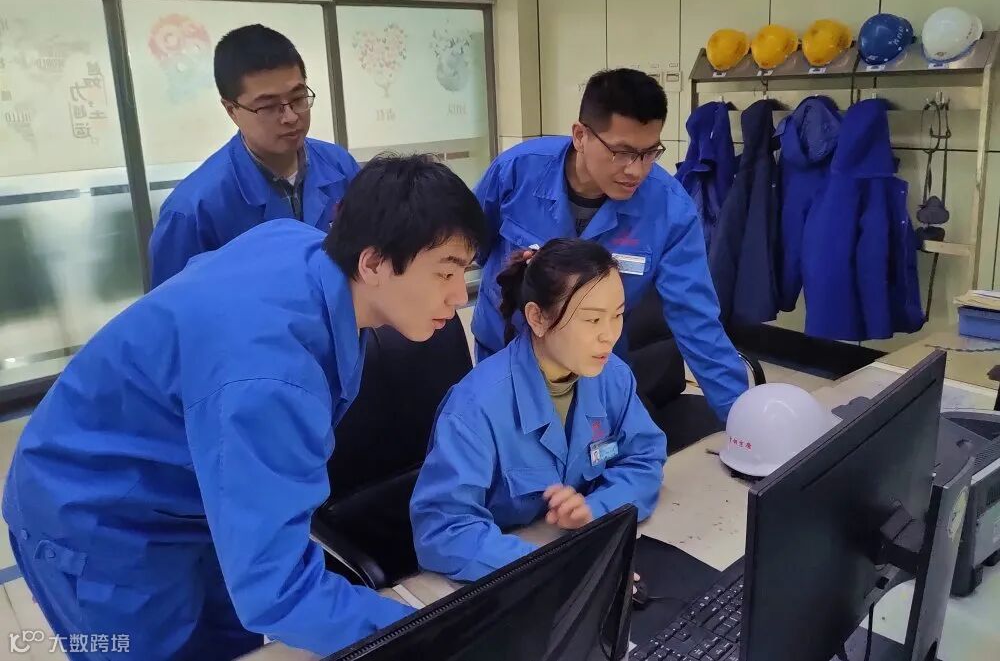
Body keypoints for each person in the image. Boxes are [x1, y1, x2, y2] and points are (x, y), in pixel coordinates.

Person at [3, 155, 487, 660]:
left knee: (231, 642)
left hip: (193, 493)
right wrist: (437, 636)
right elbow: (278, 591)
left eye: (464, 270)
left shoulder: (300, 245)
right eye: (445, 272)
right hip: (95, 513)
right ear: (373, 264)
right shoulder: (271, 376)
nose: (459, 295)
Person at [471, 68, 747, 420]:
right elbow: (472, 247)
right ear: (580, 135)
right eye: (621, 152)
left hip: (592, 372)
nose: (636, 170)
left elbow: (696, 319)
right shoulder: (516, 172)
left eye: (649, 153)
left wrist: (744, 418)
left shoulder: (668, 210)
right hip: (504, 353)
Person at [410, 239, 666, 582]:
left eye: (617, 315)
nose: (609, 336)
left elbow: (644, 459)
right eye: (592, 320)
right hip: (502, 574)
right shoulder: (476, 407)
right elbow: (445, 531)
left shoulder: (613, 377)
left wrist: (596, 510)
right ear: (538, 318)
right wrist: (553, 568)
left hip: (570, 550)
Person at [148, 24, 360, 287]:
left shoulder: (341, 166)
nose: (290, 117)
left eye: (298, 98)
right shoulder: (192, 211)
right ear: (231, 110)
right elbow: (172, 307)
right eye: (268, 107)